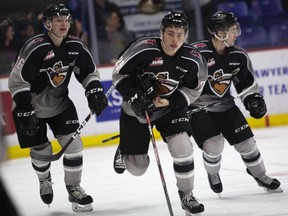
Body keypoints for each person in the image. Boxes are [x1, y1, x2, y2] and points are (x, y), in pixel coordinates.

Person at [8, 3, 108, 212]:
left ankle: (74, 188)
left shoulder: (75, 46)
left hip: (60, 104)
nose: (63, 24)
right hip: (31, 107)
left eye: (66, 19)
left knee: (74, 146)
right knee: (42, 151)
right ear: (47, 23)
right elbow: (17, 80)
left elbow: (88, 72)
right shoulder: (35, 47)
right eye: (58, 20)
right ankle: (44, 179)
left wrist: (95, 90)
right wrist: (24, 106)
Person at [112, 11, 208, 215]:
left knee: (183, 147)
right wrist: (134, 95)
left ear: (186, 35)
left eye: (180, 34)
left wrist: (171, 101)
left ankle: (187, 195)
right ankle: (125, 147)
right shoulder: (143, 48)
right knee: (137, 169)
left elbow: (194, 89)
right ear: (161, 32)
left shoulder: (193, 59)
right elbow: (118, 74)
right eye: (171, 33)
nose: (175, 39)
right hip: (138, 108)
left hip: (169, 109)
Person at [187, 11, 282, 196]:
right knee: (214, 145)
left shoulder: (238, 55)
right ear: (220, 32)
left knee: (247, 144)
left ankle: (260, 175)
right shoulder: (196, 54)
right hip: (197, 109)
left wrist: (253, 100)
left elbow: (246, 84)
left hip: (225, 106)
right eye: (232, 30)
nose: (236, 34)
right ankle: (213, 173)